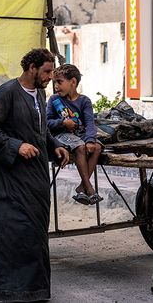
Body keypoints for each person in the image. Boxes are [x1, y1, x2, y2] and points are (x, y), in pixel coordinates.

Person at [0, 48, 70, 301]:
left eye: (51, 73)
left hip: (34, 180)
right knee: (13, 233)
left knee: (34, 234)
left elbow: (40, 131)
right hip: (8, 180)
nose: (49, 78)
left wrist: (55, 145)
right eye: (46, 72)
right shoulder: (8, 92)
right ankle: (4, 289)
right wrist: (16, 146)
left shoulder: (40, 94)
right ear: (31, 68)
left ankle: (33, 290)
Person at [46, 64, 103, 206]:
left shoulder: (84, 101)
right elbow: (46, 122)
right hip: (61, 135)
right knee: (80, 147)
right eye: (54, 83)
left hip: (80, 134)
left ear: (73, 82)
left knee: (97, 148)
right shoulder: (54, 100)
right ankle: (89, 188)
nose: (56, 86)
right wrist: (62, 123)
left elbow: (90, 123)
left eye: (59, 82)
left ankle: (81, 187)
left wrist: (90, 140)